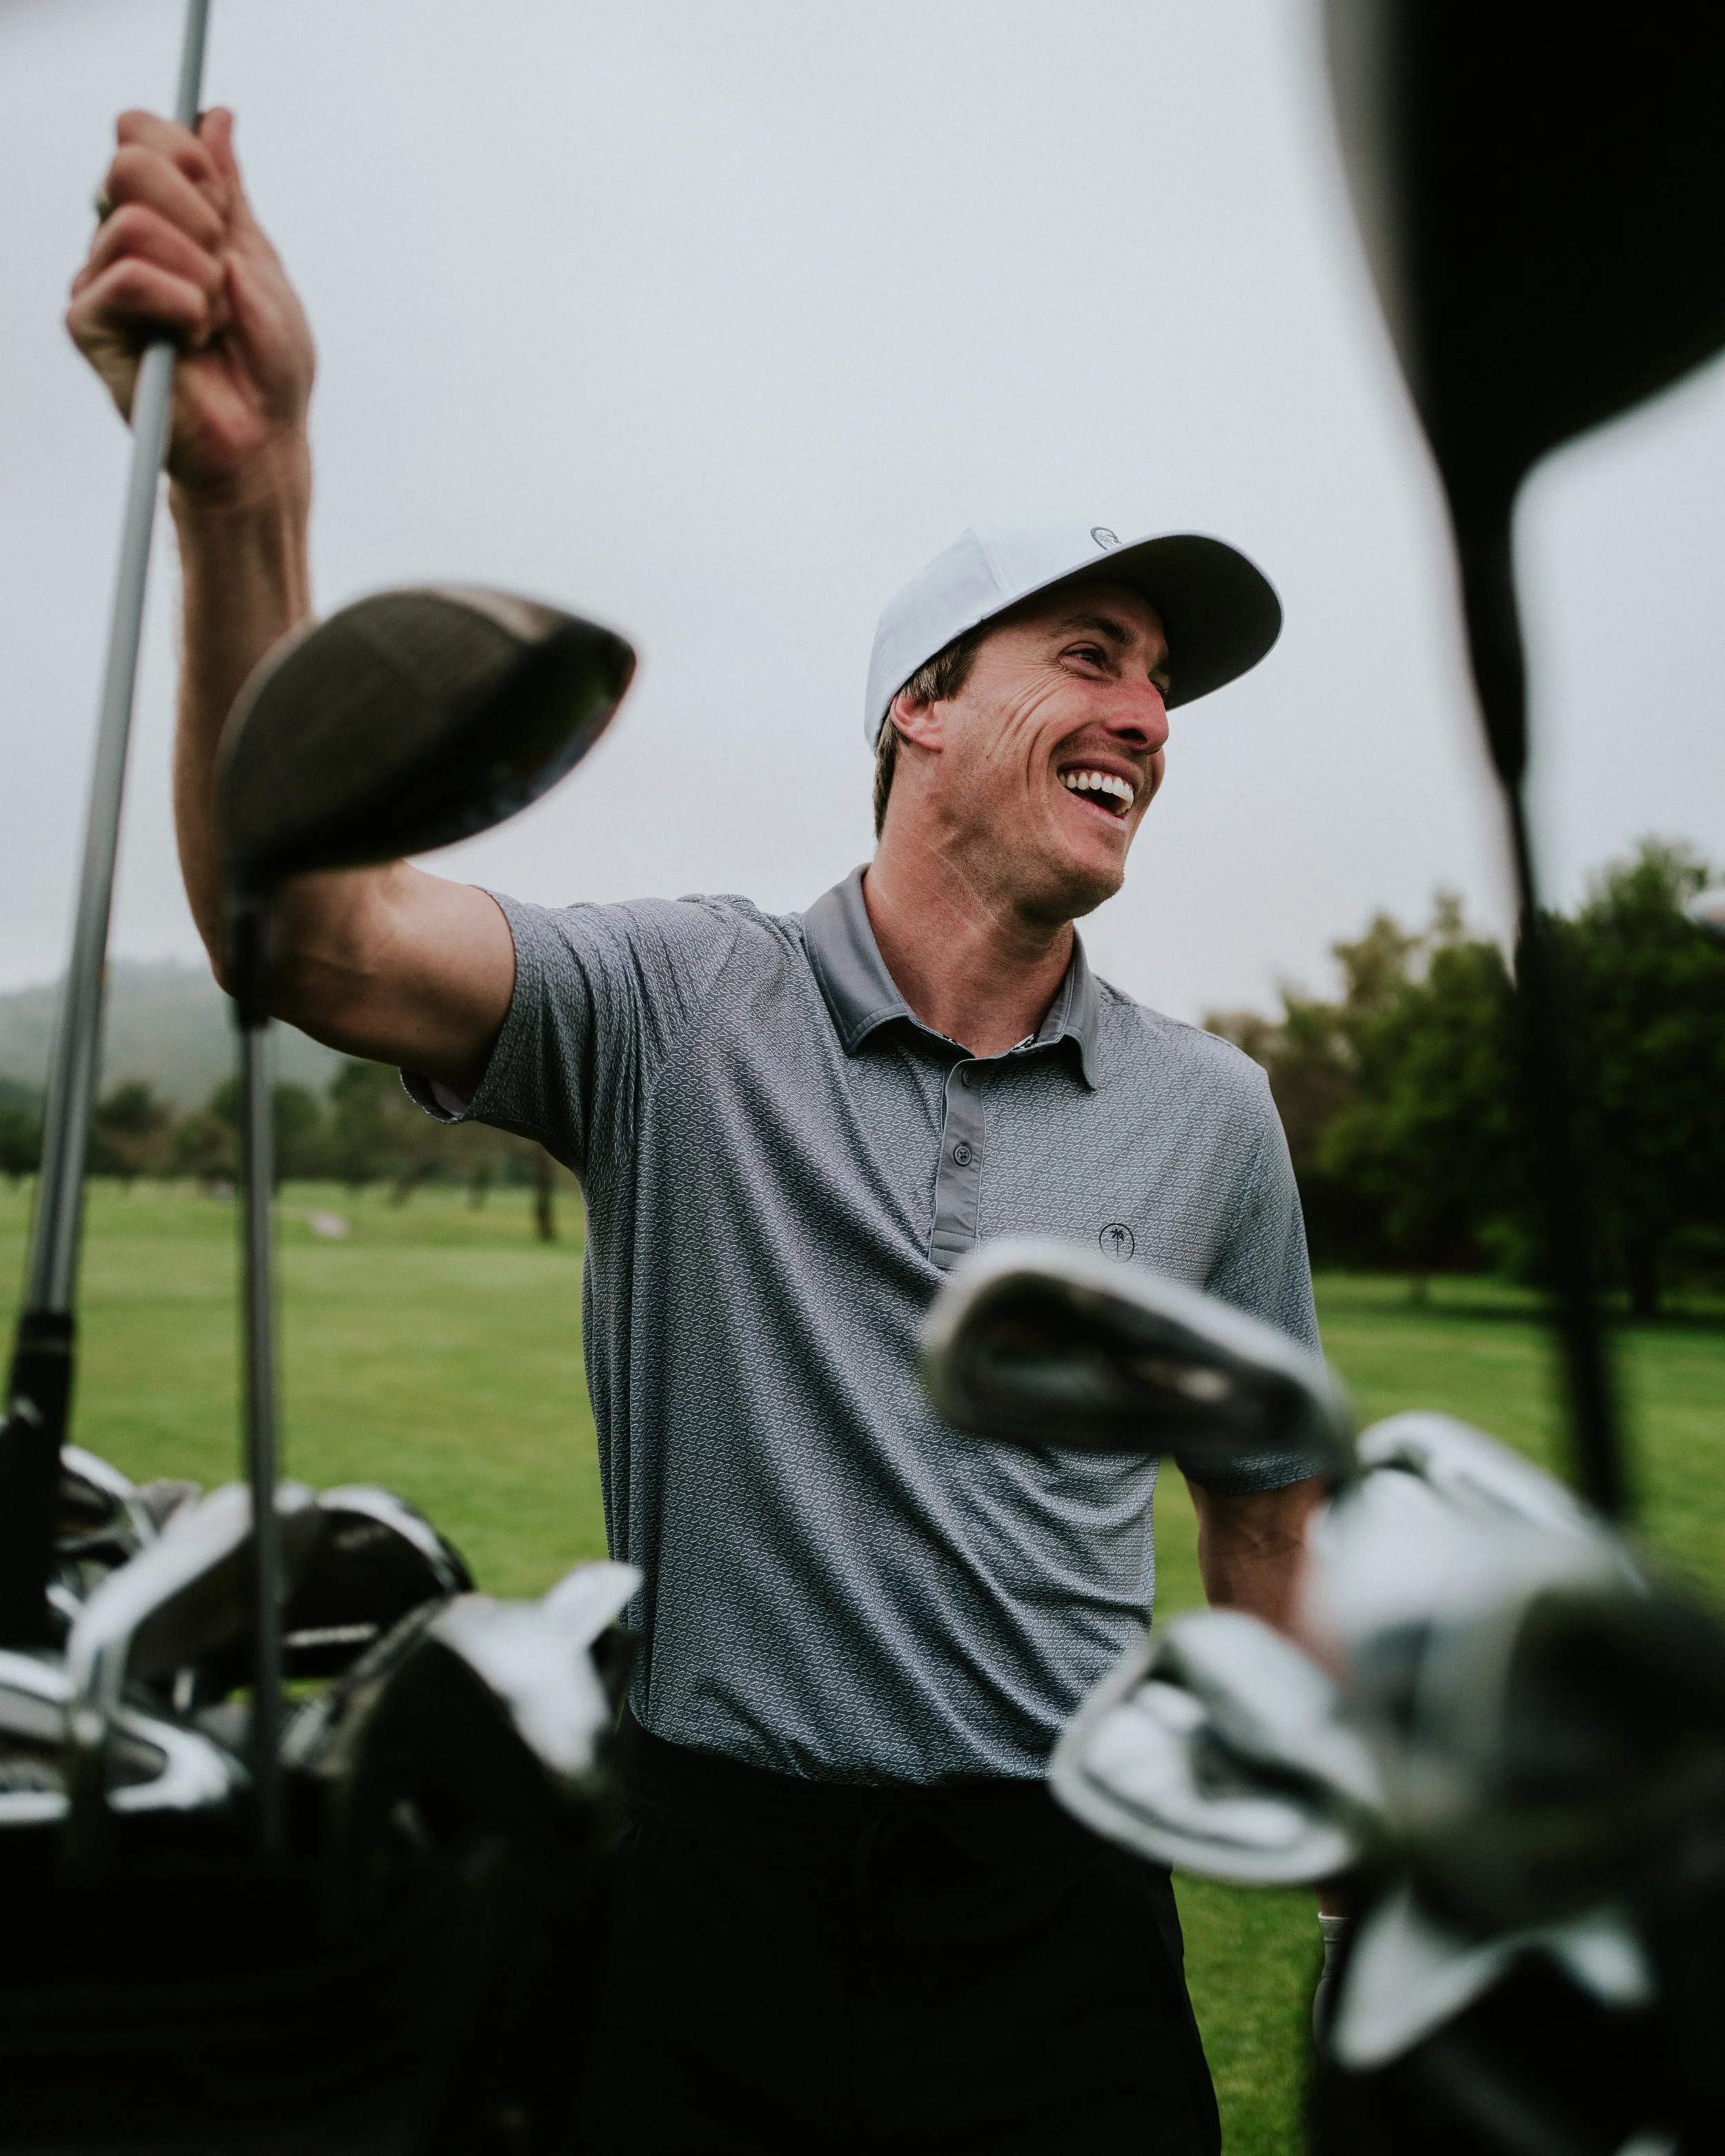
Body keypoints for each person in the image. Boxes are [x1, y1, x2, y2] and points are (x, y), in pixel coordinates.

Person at [71, 108, 1330, 2156]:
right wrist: (250, 490)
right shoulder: (676, 1002)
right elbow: (303, 927)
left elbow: (1264, 1513)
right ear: (917, 707)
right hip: (703, 1909)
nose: (1144, 715)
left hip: (1058, 1923)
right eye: (1084, 655)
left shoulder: (1211, 1116)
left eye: (1162, 686)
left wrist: (1350, 1808)